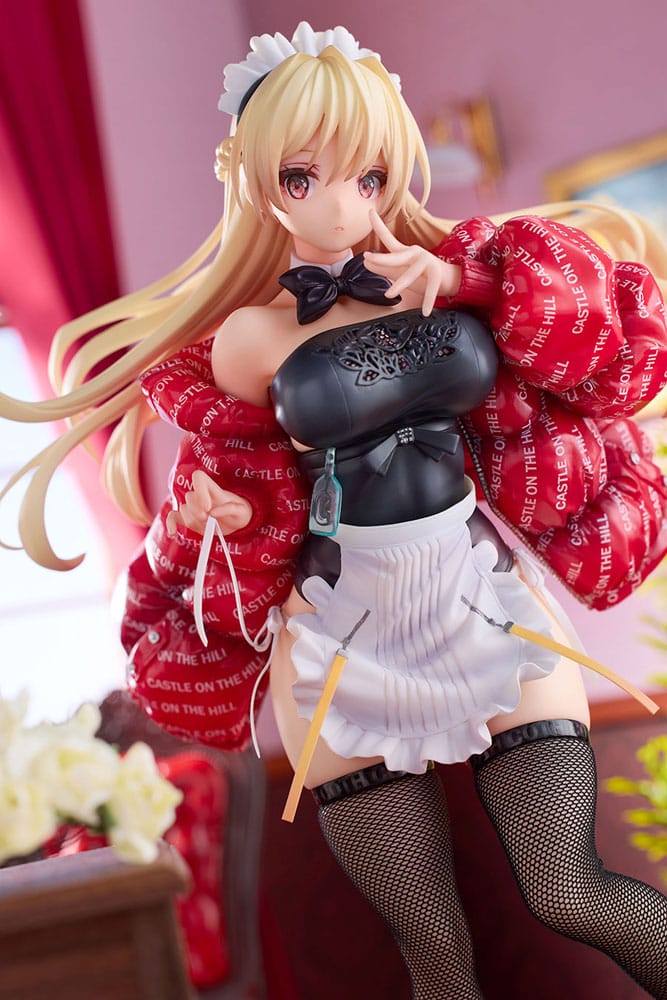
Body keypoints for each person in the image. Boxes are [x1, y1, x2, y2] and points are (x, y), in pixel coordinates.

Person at [3, 22, 667, 1000]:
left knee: (570, 890)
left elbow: (602, 344)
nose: (341, 202)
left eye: (368, 175)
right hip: (340, 636)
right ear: (256, 183)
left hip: (482, 597)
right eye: (301, 177)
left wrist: (462, 280)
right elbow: (235, 477)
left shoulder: (452, 279)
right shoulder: (250, 336)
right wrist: (207, 515)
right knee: (435, 951)